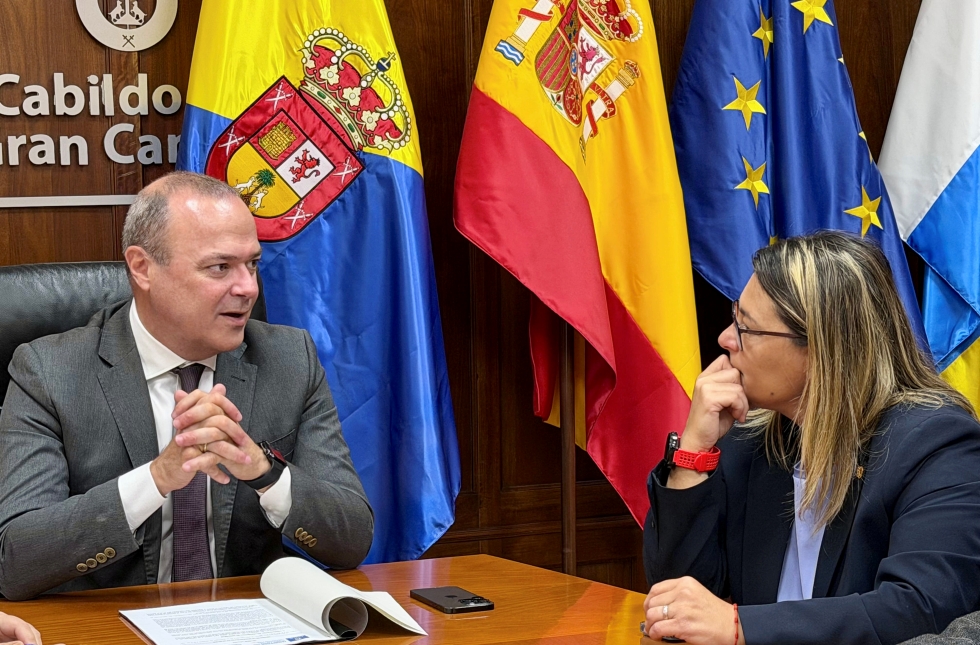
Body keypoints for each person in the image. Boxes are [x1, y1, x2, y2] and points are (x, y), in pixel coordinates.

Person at [0, 172, 374, 600]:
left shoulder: (289, 360)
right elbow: (16, 561)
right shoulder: (49, 372)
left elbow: (352, 540)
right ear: (143, 268)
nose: (248, 288)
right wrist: (158, 478)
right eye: (220, 267)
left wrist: (264, 471)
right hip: (110, 627)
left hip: (246, 626)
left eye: (252, 264)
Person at [642, 232, 980, 645]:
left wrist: (741, 627)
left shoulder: (937, 446)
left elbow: (919, 609)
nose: (726, 340)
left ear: (822, 349)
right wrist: (693, 451)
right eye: (735, 318)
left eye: (746, 328)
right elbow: (678, 602)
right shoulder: (758, 434)